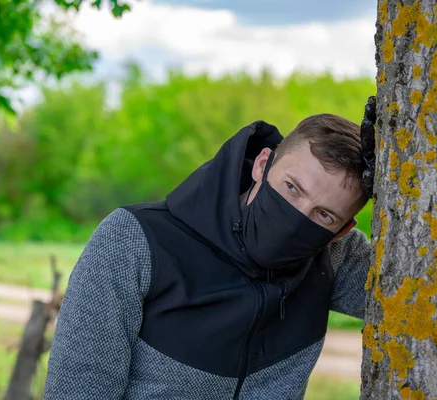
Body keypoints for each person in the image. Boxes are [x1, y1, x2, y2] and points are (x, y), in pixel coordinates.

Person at [44, 97, 377, 400]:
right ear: (262, 164)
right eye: (292, 188)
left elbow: (418, 289)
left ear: (342, 230)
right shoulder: (135, 239)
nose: (296, 217)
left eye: (324, 214)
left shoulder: (332, 257)